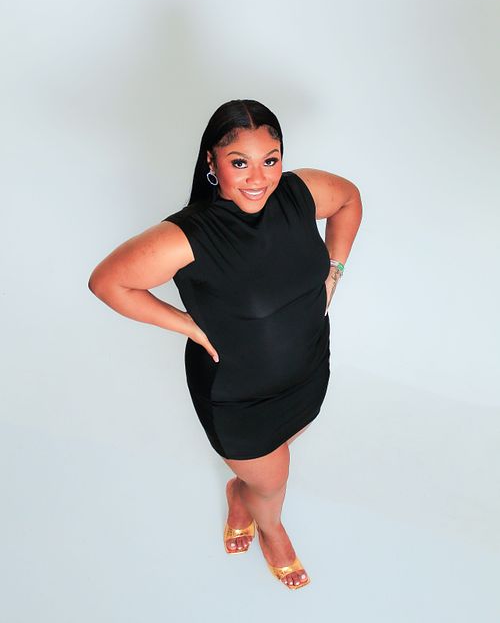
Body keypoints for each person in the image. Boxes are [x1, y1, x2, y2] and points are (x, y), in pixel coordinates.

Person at [88, 99, 362, 590]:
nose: (259, 178)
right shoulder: (188, 236)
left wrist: (334, 271)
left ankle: (242, 489)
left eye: (270, 160)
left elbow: (349, 200)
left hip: (306, 367)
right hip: (239, 397)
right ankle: (271, 527)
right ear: (212, 163)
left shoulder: (299, 193)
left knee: (275, 457)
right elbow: (108, 282)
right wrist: (187, 325)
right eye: (240, 163)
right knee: (273, 481)